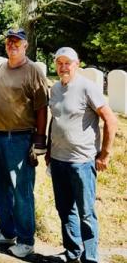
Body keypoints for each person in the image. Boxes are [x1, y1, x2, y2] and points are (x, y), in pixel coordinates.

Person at [47, 47, 117, 263]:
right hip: (58, 161)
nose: (63, 67)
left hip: (82, 163)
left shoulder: (87, 87)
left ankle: (91, 257)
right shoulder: (56, 89)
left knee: (86, 213)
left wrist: (104, 154)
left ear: (77, 64)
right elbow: (56, 119)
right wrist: (49, 150)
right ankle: (72, 253)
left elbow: (111, 120)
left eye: (68, 62)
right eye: (59, 63)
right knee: (65, 210)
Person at [0, 28, 48, 258]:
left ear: (26, 46)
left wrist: (40, 140)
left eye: (17, 42)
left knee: (21, 190)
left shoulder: (32, 71)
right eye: (10, 41)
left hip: (18, 138)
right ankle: (7, 230)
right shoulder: (2, 66)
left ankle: (25, 240)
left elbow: (42, 107)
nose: (12, 45)